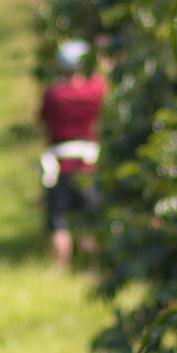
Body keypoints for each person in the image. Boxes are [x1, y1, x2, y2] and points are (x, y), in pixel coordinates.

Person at [38, 39, 108, 270]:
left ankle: (60, 265)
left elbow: (43, 120)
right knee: (88, 218)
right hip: (88, 163)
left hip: (59, 164)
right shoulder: (95, 91)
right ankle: (90, 265)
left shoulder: (54, 95)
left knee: (58, 220)